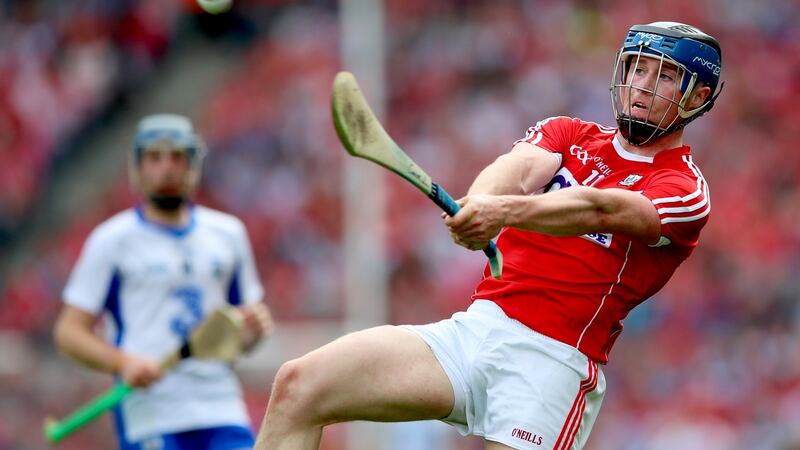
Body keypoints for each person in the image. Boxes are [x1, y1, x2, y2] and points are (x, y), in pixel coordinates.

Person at [254, 21, 722, 450]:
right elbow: (515, 171)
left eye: (661, 76)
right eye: (635, 68)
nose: (640, 85)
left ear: (697, 96)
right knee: (299, 385)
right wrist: (479, 205)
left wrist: (503, 211)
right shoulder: (569, 133)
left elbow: (600, 209)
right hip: (475, 331)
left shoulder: (684, 190)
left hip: (550, 366)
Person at [54, 113, 273, 450]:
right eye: (154, 158)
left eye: (177, 157)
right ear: (137, 168)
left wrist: (253, 330)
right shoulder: (112, 240)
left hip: (220, 405)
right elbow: (69, 332)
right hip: (151, 408)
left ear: (194, 166)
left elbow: (238, 335)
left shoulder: (229, 235)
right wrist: (123, 363)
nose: (167, 168)